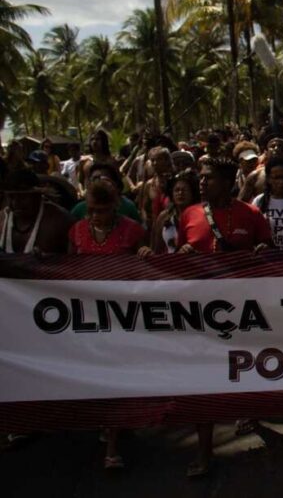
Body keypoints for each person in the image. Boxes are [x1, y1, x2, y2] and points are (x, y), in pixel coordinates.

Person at [176, 157, 272, 477]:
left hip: (243, 312)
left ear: (228, 182)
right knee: (203, 381)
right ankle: (204, 455)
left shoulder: (252, 214)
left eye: (209, 179)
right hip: (200, 315)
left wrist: (261, 252)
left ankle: (249, 410)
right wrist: (183, 256)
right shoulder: (188, 214)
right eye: (201, 178)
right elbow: (176, 262)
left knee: (243, 369)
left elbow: (270, 255)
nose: (201, 183)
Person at [68, 180, 146, 470]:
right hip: (87, 316)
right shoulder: (76, 230)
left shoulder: (132, 230)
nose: (96, 216)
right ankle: (109, 422)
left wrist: (144, 255)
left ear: (115, 206)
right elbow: (64, 269)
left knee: (116, 375)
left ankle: (113, 446)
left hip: (123, 315)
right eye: (91, 210)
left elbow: (147, 270)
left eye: (102, 210)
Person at [0, 169, 72, 254]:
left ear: (38, 196)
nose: (16, 203)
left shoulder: (60, 220)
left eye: (23, 197)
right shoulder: (2, 219)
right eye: (11, 197)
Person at [139, 170, 200, 255]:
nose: (180, 193)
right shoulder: (164, 216)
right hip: (168, 265)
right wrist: (148, 252)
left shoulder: (200, 216)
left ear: (192, 193)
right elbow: (156, 249)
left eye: (184, 190)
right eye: (177, 190)